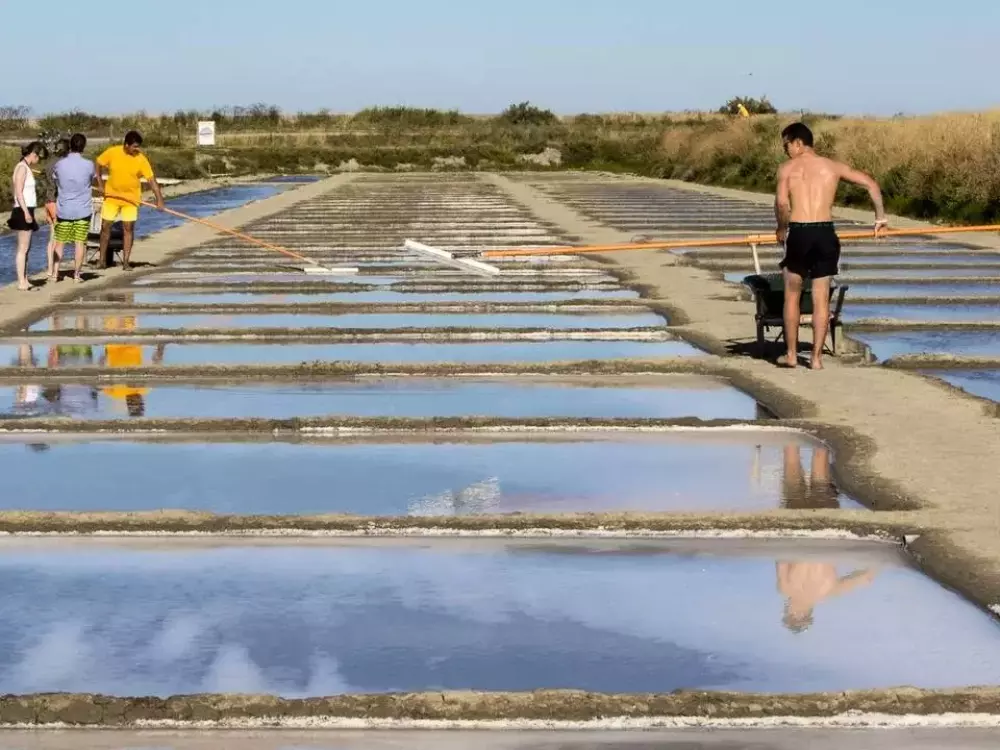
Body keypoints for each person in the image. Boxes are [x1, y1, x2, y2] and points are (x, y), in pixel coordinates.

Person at [774, 122, 887, 370]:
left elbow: (782, 204)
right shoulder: (832, 166)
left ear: (798, 143)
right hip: (825, 232)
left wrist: (781, 228)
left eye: (786, 146)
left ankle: (791, 355)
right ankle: (816, 359)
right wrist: (880, 219)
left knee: (792, 294)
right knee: (821, 297)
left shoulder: (787, 169)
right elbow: (871, 184)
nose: (786, 151)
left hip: (800, 230)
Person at [94, 130, 164, 271]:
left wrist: (159, 199)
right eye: (135, 146)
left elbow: (151, 180)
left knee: (128, 229)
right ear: (126, 145)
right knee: (105, 227)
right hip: (112, 197)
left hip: (131, 199)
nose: (137, 149)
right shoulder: (113, 152)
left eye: (138, 146)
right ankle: (102, 261)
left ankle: (126, 262)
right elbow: (98, 163)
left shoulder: (141, 159)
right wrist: (100, 184)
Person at [776, 560, 877, 633]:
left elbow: (866, 578)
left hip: (830, 547)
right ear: (792, 613)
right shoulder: (785, 588)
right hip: (804, 544)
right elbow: (782, 559)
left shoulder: (828, 593)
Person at [51, 133, 97, 283]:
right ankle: (76, 275)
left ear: (70, 145)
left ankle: (54, 273)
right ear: (83, 146)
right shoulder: (89, 165)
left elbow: (55, 179)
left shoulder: (59, 164)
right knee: (79, 242)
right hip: (82, 209)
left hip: (64, 208)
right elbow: (91, 179)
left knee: (59, 241)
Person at [7, 142, 48, 291]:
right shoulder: (22, 168)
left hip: (27, 208)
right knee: (22, 248)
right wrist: (25, 212)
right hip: (22, 209)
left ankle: (24, 278)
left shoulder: (26, 167)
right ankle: (21, 282)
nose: (39, 160)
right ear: (33, 154)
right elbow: (18, 192)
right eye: (39, 157)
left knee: (27, 247)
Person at [41, 138, 69, 280]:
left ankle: (49, 268)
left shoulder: (49, 163)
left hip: (47, 201)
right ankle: (53, 271)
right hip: (56, 202)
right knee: (58, 238)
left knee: (51, 237)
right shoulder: (62, 165)